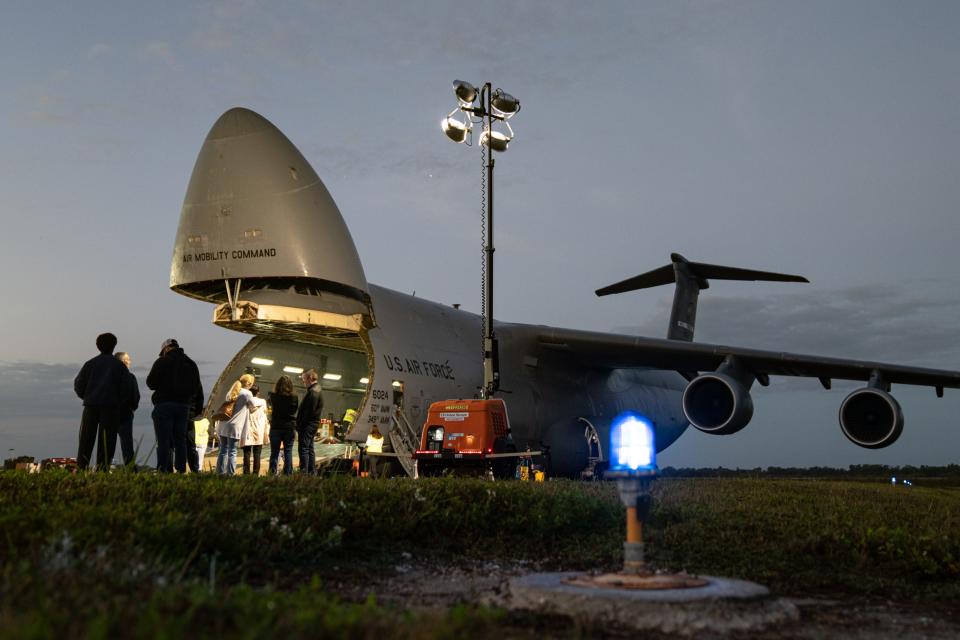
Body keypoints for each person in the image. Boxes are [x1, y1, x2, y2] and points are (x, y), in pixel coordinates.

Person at [146, 338, 204, 473]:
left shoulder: (162, 361)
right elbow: (196, 387)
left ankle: (164, 469)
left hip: (164, 404)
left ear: (166, 349)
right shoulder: (191, 364)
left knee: (164, 440)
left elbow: (150, 383)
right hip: (184, 406)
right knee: (180, 440)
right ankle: (181, 469)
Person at [74, 333, 126, 471]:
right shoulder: (119, 367)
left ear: (97, 346)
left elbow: (79, 385)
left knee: (86, 439)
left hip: (91, 405)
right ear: (114, 346)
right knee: (107, 440)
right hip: (111, 407)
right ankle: (102, 469)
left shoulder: (90, 364)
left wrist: (87, 396)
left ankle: (81, 468)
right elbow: (125, 389)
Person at [216, 374, 258, 475]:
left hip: (223, 424)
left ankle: (219, 473)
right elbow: (253, 408)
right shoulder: (247, 393)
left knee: (222, 450)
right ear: (249, 383)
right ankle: (230, 474)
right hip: (234, 427)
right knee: (232, 451)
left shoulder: (232, 390)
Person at [267, 375, 298, 475]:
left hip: (276, 427)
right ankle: (288, 474)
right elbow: (294, 410)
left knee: (274, 452)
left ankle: (272, 473)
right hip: (289, 427)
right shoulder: (294, 397)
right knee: (288, 451)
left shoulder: (272, 396)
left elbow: (271, 407)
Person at [114, 351, 141, 469]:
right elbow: (136, 396)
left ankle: (102, 467)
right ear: (123, 362)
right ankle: (130, 468)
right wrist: (132, 408)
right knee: (127, 444)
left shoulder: (109, 377)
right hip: (126, 413)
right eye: (128, 360)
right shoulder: (130, 377)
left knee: (107, 442)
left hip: (110, 412)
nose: (129, 362)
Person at [296, 369, 323, 474]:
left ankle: (304, 473)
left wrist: (300, 425)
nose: (303, 382)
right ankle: (311, 472)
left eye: (304, 380)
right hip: (312, 424)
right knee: (309, 448)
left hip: (307, 425)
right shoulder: (317, 389)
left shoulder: (313, 392)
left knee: (304, 449)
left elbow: (308, 412)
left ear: (310, 378)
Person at [241, 385, 269, 475]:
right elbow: (265, 414)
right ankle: (255, 474)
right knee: (257, 454)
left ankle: (246, 474)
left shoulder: (246, 402)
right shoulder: (263, 401)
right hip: (259, 430)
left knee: (246, 454)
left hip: (247, 430)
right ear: (258, 392)